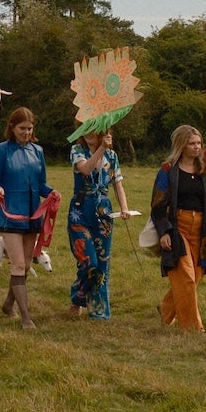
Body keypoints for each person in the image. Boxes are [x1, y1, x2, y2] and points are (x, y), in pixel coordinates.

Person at [151, 124, 206, 332]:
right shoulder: (168, 171)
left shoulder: (205, 172)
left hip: (201, 230)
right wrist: (164, 232)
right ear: (182, 145)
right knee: (186, 277)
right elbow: (158, 204)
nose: (197, 147)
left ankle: (167, 309)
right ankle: (193, 329)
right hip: (178, 227)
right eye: (192, 143)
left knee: (194, 277)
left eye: (199, 143)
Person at [0, 106, 51, 330]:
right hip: (10, 214)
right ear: (12, 127)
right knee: (18, 264)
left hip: (32, 215)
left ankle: (8, 303)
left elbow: (41, 183)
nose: (26, 132)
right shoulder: (0, 150)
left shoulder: (38, 151)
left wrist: (52, 193)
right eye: (22, 128)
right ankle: (25, 317)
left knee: (24, 267)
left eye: (29, 128)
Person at [67, 128, 129, 319]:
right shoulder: (77, 150)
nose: (89, 133)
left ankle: (99, 311)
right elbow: (85, 169)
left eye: (93, 129)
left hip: (104, 212)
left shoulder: (112, 155)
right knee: (88, 261)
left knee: (102, 262)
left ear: (103, 130)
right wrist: (101, 148)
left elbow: (117, 184)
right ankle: (78, 297)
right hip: (80, 210)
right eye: (85, 128)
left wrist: (124, 208)